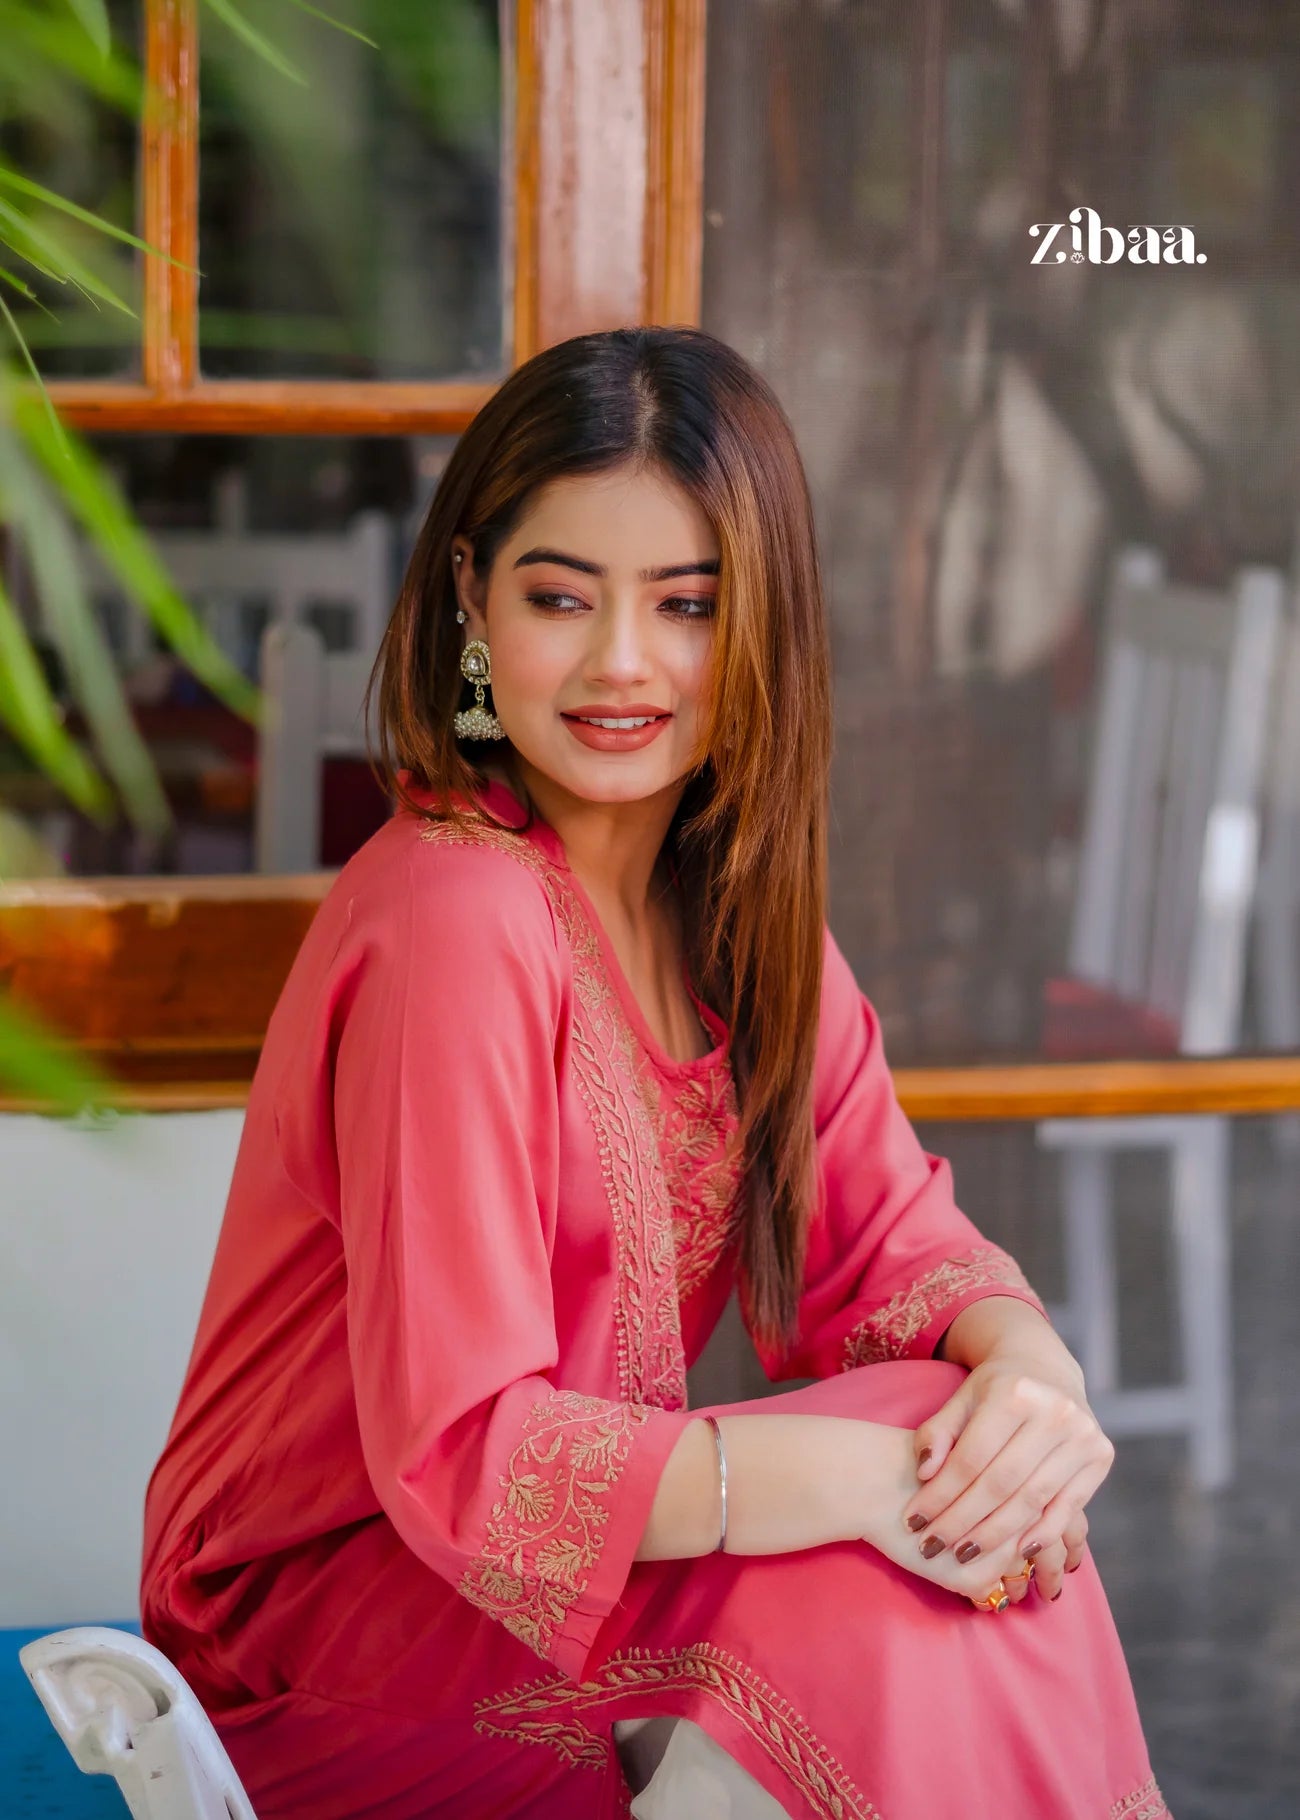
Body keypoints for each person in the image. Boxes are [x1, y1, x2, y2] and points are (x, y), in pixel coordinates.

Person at [140, 326, 1169, 1820]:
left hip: (571, 1575)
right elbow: (469, 1460)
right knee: (898, 1523)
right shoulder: (452, 913)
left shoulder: (736, 910)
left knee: (964, 1503)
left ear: (758, 629)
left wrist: (1029, 1381)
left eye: (687, 607)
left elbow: (892, 1239)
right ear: (471, 602)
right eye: (562, 597)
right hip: (320, 1621)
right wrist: (881, 1482)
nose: (624, 663)